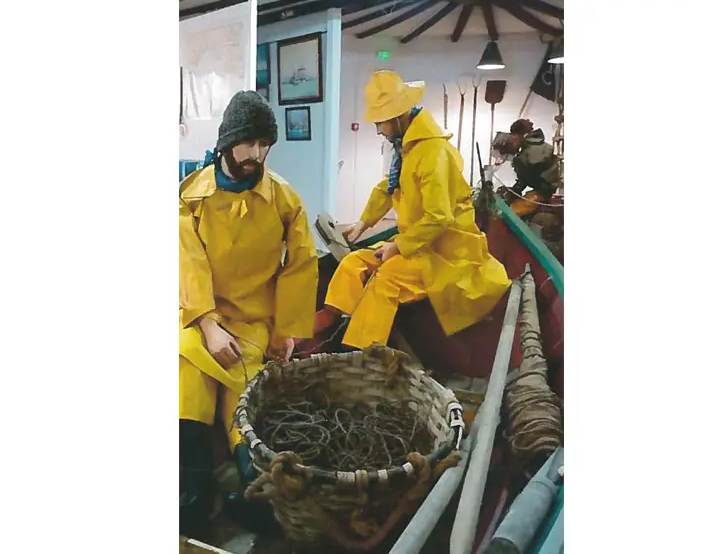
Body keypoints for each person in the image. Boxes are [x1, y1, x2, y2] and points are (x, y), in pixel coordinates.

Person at [179, 91, 318, 537]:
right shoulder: (189, 198)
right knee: (185, 380)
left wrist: (287, 332)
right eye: (249, 144)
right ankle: (190, 494)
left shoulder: (284, 200)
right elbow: (188, 267)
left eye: (265, 145)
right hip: (198, 320)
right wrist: (207, 324)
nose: (256, 155)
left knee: (243, 392)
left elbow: (300, 265)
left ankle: (255, 491)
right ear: (226, 144)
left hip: (254, 324)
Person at [313, 70, 510, 349]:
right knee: (352, 262)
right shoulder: (406, 149)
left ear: (397, 117)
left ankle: (360, 353)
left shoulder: (433, 154)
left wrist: (397, 247)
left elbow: (439, 217)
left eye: (381, 123)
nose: (379, 130)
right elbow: (389, 187)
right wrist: (363, 224)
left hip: (446, 253)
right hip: (418, 244)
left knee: (386, 279)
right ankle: (331, 318)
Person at [495, 119, 562, 204]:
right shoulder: (533, 146)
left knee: (512, 211)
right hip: (543, 190)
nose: (513, 139)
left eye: (514, 135)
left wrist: (515, 191)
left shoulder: (532, 150)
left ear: (520, 135)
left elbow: (528, 174)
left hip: (542, 193)